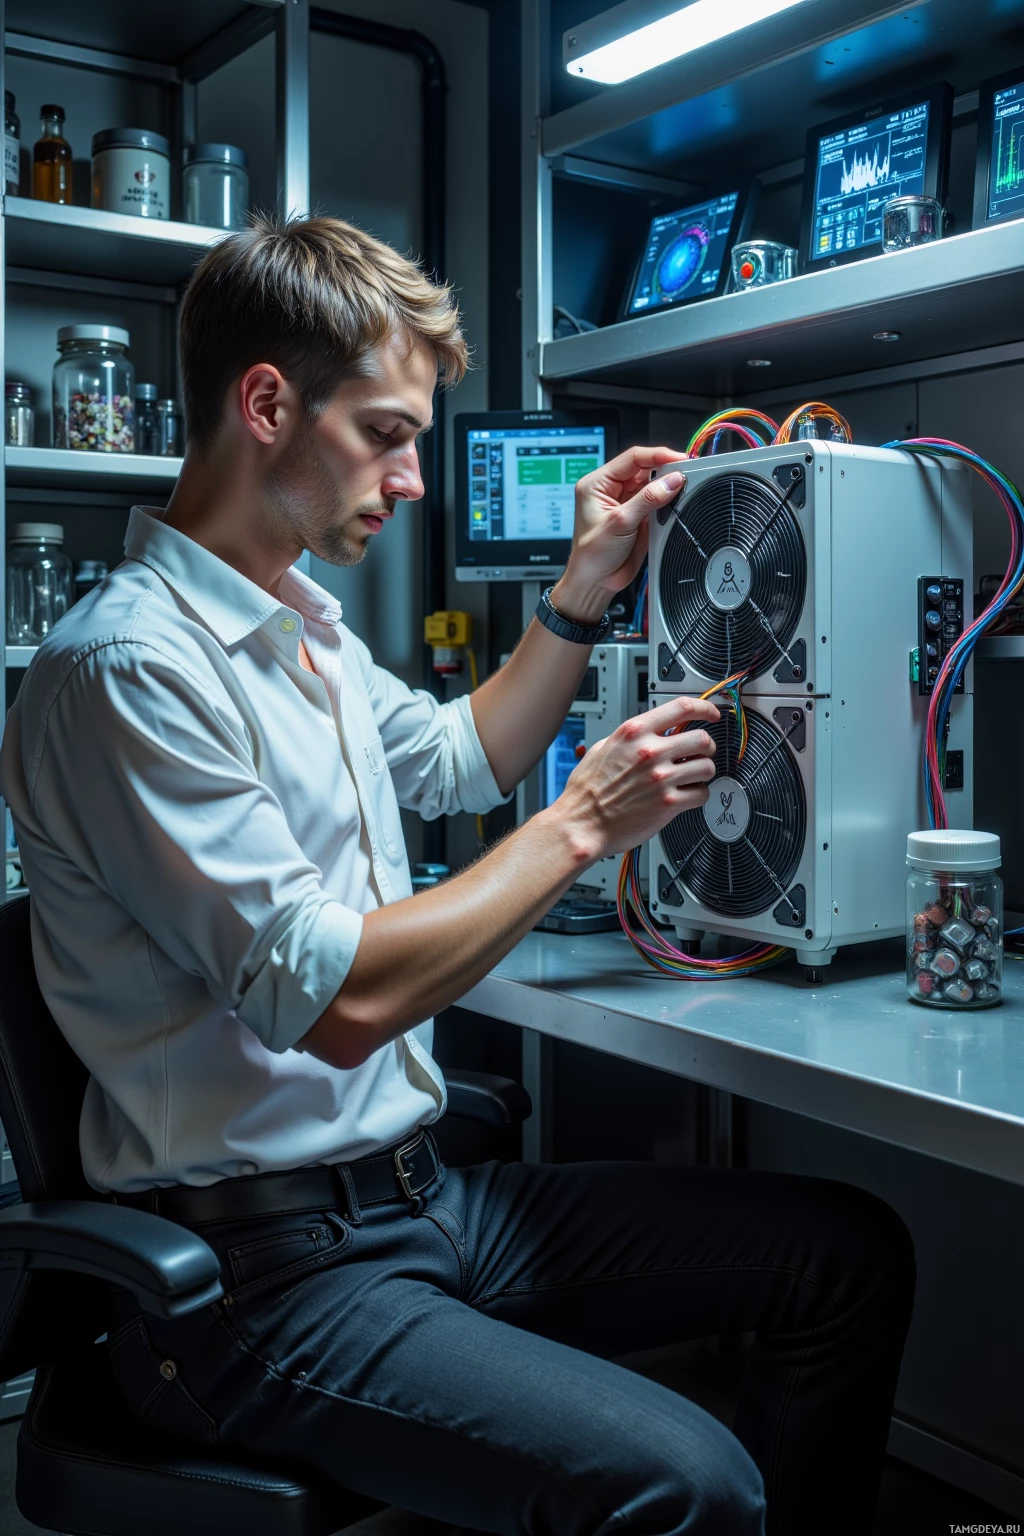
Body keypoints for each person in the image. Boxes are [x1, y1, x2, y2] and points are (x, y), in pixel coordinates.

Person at [1, 215, 914, 1536]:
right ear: (266, 404)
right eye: (385, 432)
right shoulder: (128, 669)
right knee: (688, 1483)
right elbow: (331, 1001)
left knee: (846, 1257)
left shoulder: (295, 633)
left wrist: (583, 588)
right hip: (252, 1285)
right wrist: (585, 824)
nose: (414, 477)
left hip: (424, 1204)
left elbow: (457, 757)